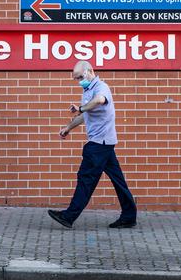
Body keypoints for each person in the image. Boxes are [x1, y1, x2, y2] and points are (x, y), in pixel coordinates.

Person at [47, 61, 137, 229]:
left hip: (98, 145)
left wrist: (81, 108)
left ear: (89, 72)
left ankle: (68, 216)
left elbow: (99, 100)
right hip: (106, 144)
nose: (79, 81)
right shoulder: (88, 90)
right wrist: (68, 128)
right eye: (76, 79)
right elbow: (86, 115)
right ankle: (129, 216)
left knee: (86, 179)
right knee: (118, 181)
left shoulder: (101, 87)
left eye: (80, 77)